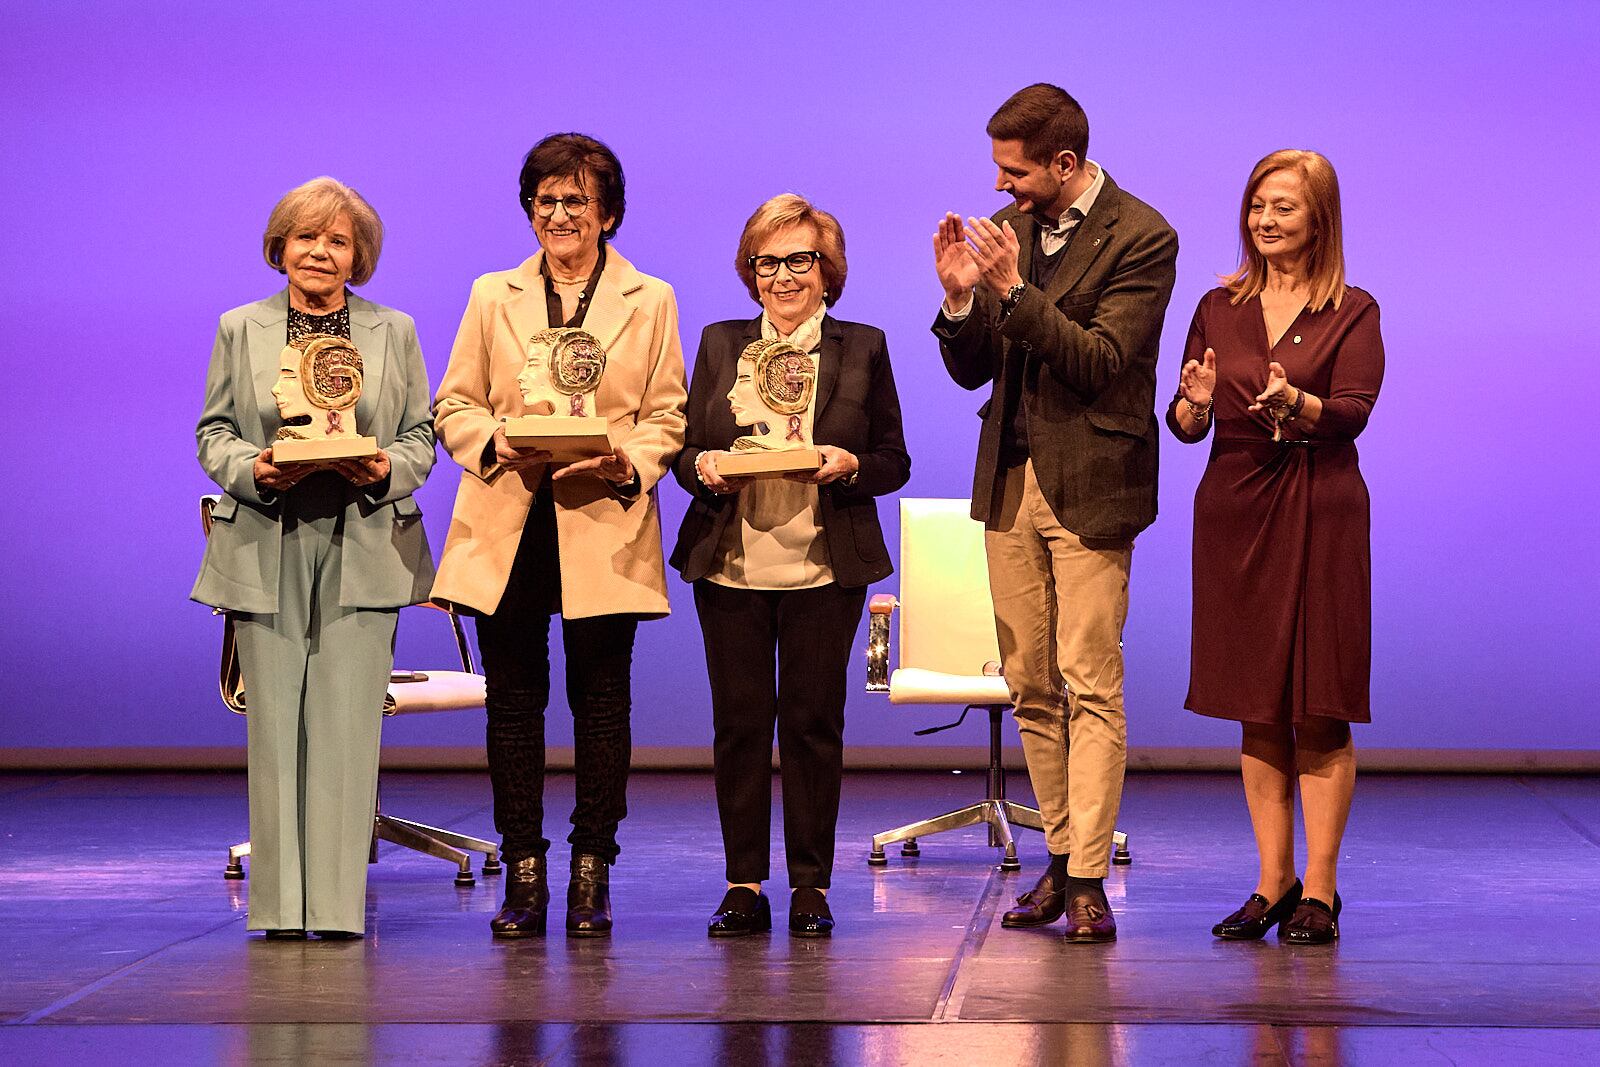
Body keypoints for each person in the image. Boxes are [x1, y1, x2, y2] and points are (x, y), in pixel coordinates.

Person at [931, 84, 1177, 942]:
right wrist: (962, 300)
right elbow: (974, 370)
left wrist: (1012, 291)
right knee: (1031, 683)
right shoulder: (1015, 232)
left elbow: (1101, 361)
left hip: (1092, 482)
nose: (1001, 186)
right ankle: (1062, 853)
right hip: (1011, 479)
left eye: (1015, 170)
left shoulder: (1142, 235)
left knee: (1090, 679)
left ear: (1065, 163)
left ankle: (1088, 876)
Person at [431, 133, 687, 939]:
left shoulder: (651, 297)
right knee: (513, 703)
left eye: (576, 199)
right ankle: (524, 872)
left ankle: (591, 870)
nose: (559, 214)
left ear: (608, 212)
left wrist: (625, 461)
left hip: (600, 511)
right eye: (544, 200)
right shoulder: (491, 293)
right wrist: (493, 441)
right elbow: (454, 403)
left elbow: (666, 413)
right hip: (507, 515)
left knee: (601, 703)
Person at [192, 177, 437, 940]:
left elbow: (420, 436)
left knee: (347, 726)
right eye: (306, 237)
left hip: (364, 536)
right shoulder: (241, 327)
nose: (320, 252)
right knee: (273, 730)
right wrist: (255, 468)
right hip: (267, 537)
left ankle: (333, 910)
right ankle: (277, 909)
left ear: (359, 256)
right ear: (281, 247)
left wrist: (386, 466)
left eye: (338, 240)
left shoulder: (394, 330)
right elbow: (214, 433)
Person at [671, 195, 910, 938]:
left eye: (799, 259)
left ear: (827, 269)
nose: (782, 276)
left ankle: (811, 883)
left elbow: (893, 459)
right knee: (740, 726)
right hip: (730, 565)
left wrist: (848, 464)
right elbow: (685, 450)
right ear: (751, 272)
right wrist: (703, 466)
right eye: (766, 262)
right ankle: (743, 882)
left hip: (823, 568)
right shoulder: (720, 342)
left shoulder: (862, 347)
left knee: (812, 725)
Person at [1167, 149, 1383, 945]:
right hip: (1236, 509)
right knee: (1257, 705)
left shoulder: (1353, 310)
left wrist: (1299, 403)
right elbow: (1187, 419)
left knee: (1318, 704)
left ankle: (1320, 889)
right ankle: (1272, 881)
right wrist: (1192, 408)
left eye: (1283, 207)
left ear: (1319, 219)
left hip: (1321, 507)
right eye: (1257, 205)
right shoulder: (1218, 305)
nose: (1264, 219)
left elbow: (1354, 409)